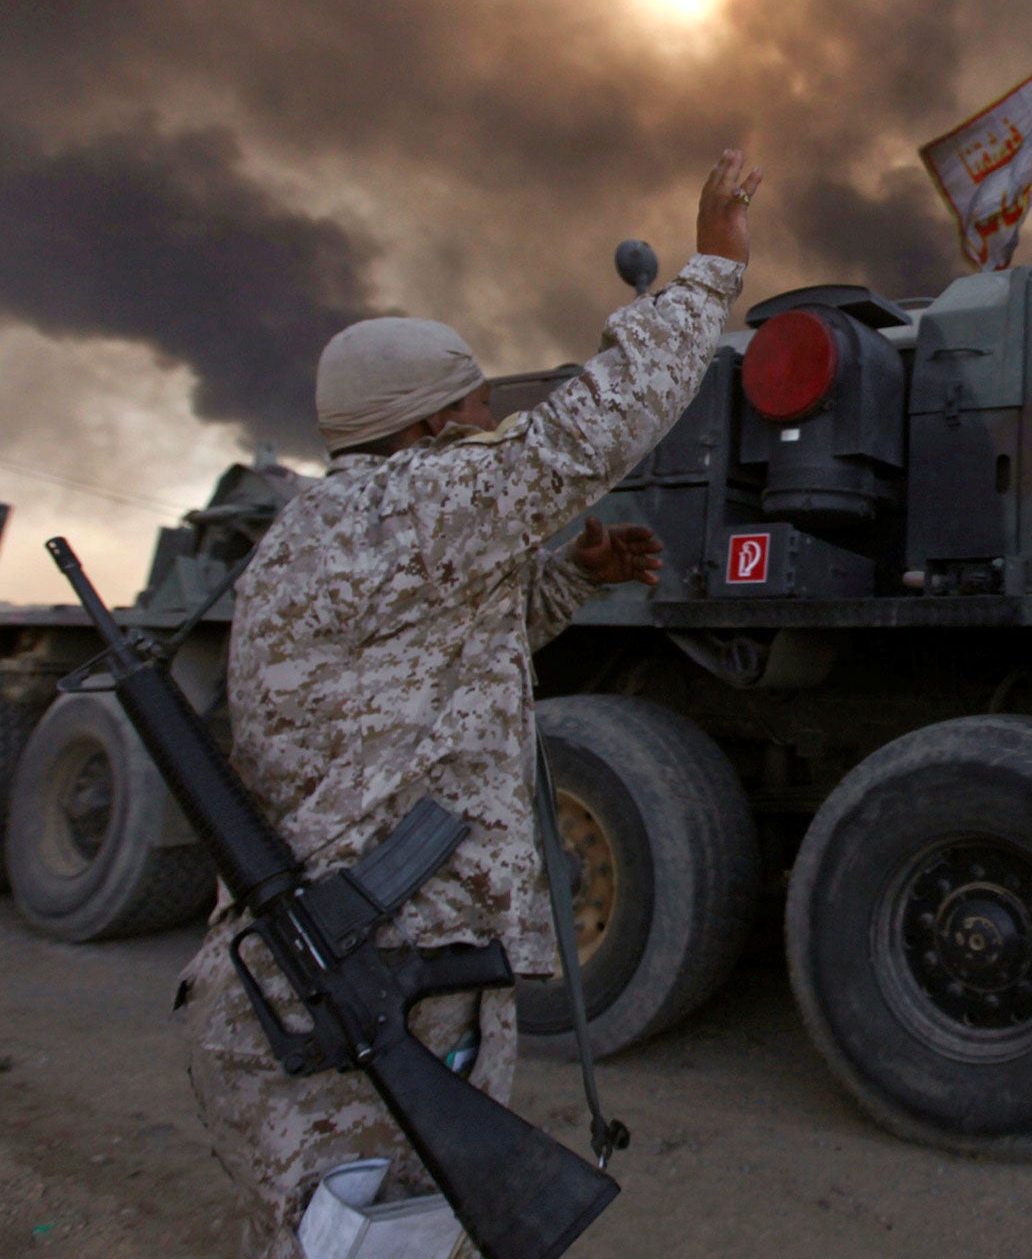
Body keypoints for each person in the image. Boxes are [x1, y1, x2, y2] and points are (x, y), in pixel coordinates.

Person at [176, 150, 762, 1259]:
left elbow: (419, 668)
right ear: (429, 427)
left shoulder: (309, 535)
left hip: (308, 982)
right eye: (480, 409)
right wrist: (708, 275)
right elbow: (593, 431)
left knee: (325, 1238)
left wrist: (572, 580)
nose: (494, 426)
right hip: (383, 978)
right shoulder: (425, 502)